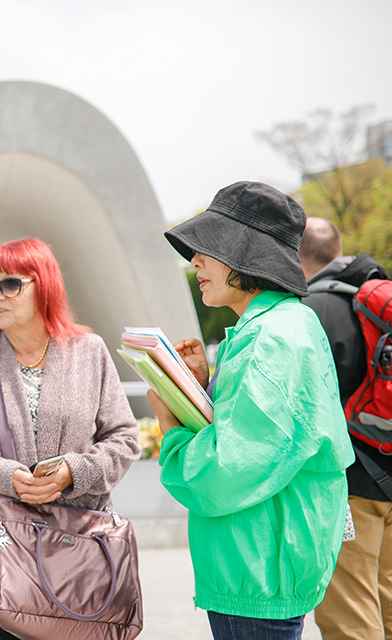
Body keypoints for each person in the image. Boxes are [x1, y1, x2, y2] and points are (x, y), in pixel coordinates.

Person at [150, 182, 355, 640]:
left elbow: (226, 470)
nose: (195, 262)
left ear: (245, 255)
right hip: (263, 561)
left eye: (207, 249)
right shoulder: (283, 323)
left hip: (257, 566)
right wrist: (204, 389)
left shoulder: (269, 339)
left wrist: (171, 427)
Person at [0, 237, 141, 639]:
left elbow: (125, 437)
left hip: (81, 547)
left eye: (10, 284)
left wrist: (72, 471)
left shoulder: (89, 352)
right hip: (8, 555)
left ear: (43, 286)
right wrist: (3, 476)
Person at [300, 217, 392, 640]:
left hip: (352, 483)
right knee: (387, 602)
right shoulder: (376, 297)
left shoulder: (311, 309)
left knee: (350, 614)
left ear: (294, 255)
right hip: (388, 467)